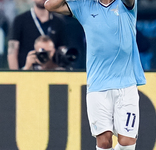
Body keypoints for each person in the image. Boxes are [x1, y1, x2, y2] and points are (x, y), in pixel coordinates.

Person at [45, 0, 146, 150]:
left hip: (126, 83)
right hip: (98, 84)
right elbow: (50, 5)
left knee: (127, 143)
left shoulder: (126, 5)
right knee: (104, 142)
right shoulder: (84, 6)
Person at [7, 0, 67, 70]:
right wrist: (16, 77)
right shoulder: (20, 20)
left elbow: (62, 51)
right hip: (27, 72)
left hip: (52, 72)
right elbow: (12, 52)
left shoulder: (59, 22)